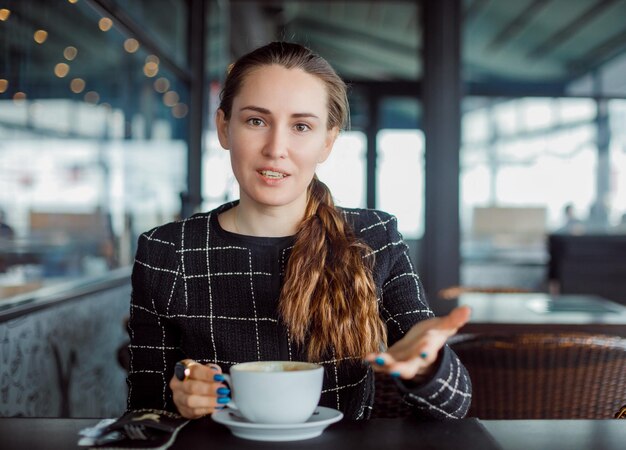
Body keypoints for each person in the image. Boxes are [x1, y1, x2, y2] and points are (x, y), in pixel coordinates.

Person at [127, 42, 472, 421]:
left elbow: (454, 404)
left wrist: (427, 366)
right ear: (224, 128)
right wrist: (182, 392)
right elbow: (143, 410)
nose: (276, 149)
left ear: (327, 142)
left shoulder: (374, 236)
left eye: (301, 126)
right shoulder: (166, 250)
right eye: (256, 121)